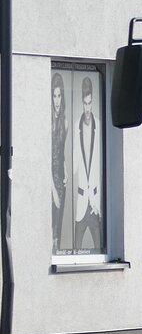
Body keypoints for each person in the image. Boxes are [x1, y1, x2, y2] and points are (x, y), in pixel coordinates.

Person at [73, 76, 103, 251]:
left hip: (95, 204)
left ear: (93, 102)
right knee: (76, 251)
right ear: (82, 103)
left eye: (90, 103)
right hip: (81, 202)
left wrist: (98, 204)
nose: (87, 108)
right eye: (85, 103)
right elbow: (75, 164)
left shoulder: (99, 125)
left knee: (99, 249)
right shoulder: (76, 126)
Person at [51, 72, 68, 251]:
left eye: (59, 95)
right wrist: (53, 190)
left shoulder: (65, 122)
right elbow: (47, 156)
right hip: (50, 181)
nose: (57, 100)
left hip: (61, 180)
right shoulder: (48, 122)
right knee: (50, 228)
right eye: (54, 95)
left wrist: (66, 170)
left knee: (58, 231)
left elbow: (61, 151)